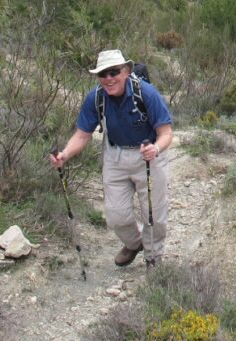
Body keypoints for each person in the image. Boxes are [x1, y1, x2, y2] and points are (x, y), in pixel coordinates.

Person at [50, 49, 172, 268]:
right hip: (115, 156)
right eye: (102, 74)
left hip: (149, 158)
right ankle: (134, 244)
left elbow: (166, 133)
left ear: (125, 71)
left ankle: (153, 259)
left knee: (154, 215)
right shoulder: (95, 98)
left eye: (113, 72)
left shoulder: (146, 93)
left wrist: (155, 148)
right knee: (116, 216)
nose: (108, 78)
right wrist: (65, 154)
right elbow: (82, 134)